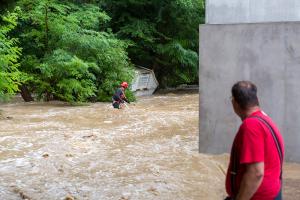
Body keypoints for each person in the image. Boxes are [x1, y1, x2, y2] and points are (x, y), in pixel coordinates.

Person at [225, 81, 284, 200]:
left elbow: (256, 173)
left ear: (235, 103)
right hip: (272, 192)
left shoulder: (251, 126)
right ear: (256, 99)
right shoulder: (264, 119)